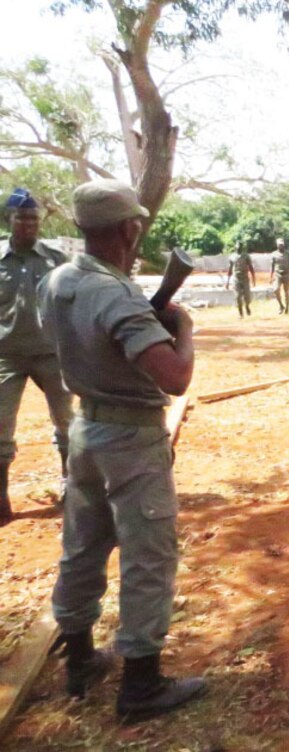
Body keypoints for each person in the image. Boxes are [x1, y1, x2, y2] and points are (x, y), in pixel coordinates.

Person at [38, 179, 206, 720]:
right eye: (137, 225)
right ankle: (141, 684)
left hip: (85, 429)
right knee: (148, 555)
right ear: (128, 229)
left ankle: (81, 659)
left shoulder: (58, 280)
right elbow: (175, 377)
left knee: (82, 544)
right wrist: (182, 328)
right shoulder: (116, 293)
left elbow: (85, 340)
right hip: (131, 438)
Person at [1, 188, 73, 523]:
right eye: (22, 217)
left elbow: (72, 301)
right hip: (6, 357)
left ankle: (70, 484)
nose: (29, 223)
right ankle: (1, 497)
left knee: (66, 423)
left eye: (33, 218)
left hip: (51, 354)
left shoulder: (56, 260)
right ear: (8, 220)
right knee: (1, 428)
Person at [226, 241, 256, 318]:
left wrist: (253, 279)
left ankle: (247, 306)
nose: (239, 247)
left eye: (240, 246)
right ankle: (241, 313)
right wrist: (227, 282)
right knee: (238, 296)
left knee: (247, 295)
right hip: (236, 278)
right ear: (235, 247)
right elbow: (230, 269)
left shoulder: (246, 256)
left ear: (242, 248)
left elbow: (251, 267)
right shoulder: (232, 256)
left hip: (245, 277)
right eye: (238, 246)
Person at [270, 237, 289, 315]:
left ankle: (287, 308)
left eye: (282, 245)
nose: (281, 246)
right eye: (279, 245)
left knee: (286, 292)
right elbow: (272, 266)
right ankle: (281, 305)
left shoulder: (288, 254)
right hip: (278, 275)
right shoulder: (274, 254)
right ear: (277, 245)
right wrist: (271, 276)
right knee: (275, 290)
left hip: (286, 274)